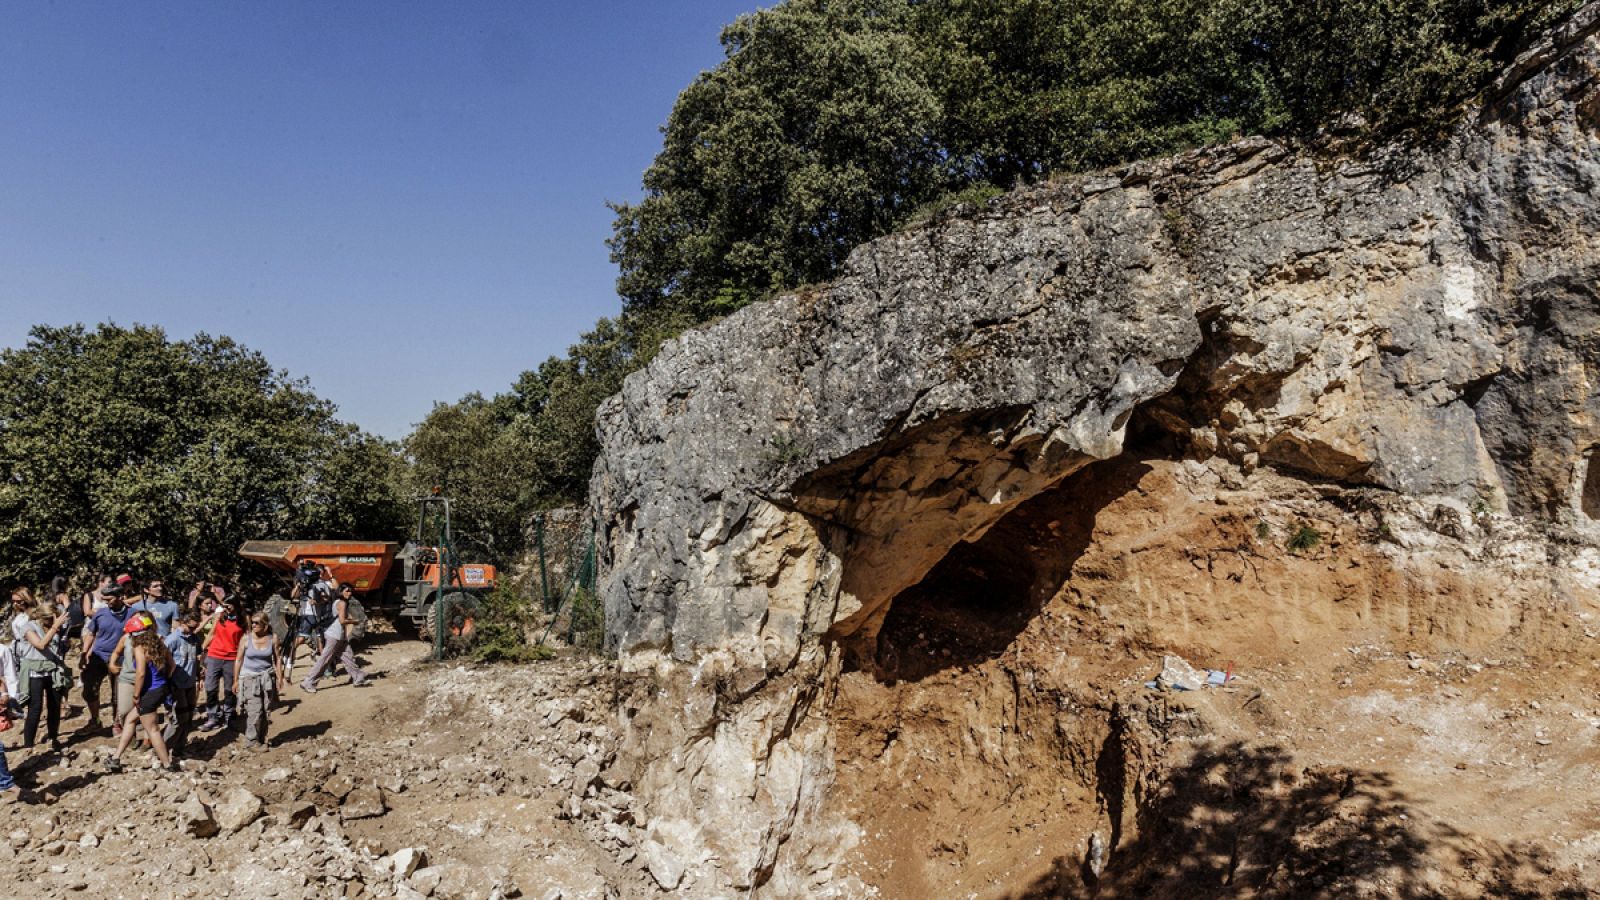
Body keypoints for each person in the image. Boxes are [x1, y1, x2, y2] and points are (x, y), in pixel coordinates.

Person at [104, 629, 178, 773]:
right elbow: (172, 665)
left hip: (149, 693)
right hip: (160, 689)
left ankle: (167, 765)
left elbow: (141, 673)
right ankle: (116, 757)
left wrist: (136, 695)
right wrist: (163, 679)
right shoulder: (159, 645)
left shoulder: (139, 648)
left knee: (152, 729)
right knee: (130, 720)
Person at [11, 589, 69, 753]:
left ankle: (53, 737)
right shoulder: (29, 627)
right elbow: (41, 644)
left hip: (52, 669)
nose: (53, 623)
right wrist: (55, 628)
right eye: (51, 620)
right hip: (34, 671)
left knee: (54, 705)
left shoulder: (53, 627)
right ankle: (28, 744)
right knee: (35, 707)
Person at [79, 584, 131, 733]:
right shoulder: (100, 614)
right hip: (98, 656)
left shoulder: (133, 614)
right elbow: (91, 634)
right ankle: (95, 719)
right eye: (104, 599)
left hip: (121, 658)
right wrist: (84, 653)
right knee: (89, 689)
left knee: (118, 694)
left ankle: (117, 722)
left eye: (109, 599)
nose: (106, 602)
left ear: (120, 597)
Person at [300, 583, 368, 693]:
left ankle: (358, 676)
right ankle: (309, 681)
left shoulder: (336, 601)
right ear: (341, 592)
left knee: (348, 656)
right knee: (325, 659)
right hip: (335, 635)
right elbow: (342, 621)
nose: (349, 593)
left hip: (338, 635)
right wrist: (354, 621)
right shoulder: (342, 603)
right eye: (347, 591)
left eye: (350, 591)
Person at [234, 612, 285, 749]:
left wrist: (280, 677)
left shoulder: (273, 638)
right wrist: (236, 680)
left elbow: (277, 659)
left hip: (267, 677)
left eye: (257, 623)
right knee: (254, 710)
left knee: (265, 709)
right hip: (250, 678)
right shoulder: (246, 639)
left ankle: (261, 739)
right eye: (253, 622)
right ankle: (251, 742)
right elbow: (238, 660)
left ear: (265, 625)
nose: (254, 625)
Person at [108, 612, 156, 739]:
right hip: (127, 678)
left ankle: (148, 739)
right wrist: (112, 663)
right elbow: (116, 652)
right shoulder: (126, 638)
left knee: (147, 712)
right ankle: (130, 736)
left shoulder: (154, 639)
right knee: (123, 711)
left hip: (147, 679)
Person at [201, 595, 246, 730]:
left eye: (228, 605)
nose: (225, 608)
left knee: (229, 689)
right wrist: (202, 649)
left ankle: (229, 713)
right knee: (210, 687)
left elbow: (246, 638)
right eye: (224, 605)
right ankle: (213, 716)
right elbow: (212, 633)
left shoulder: (243, 619)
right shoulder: (219, 616)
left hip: (232, 658)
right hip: (214, 655)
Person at [163, 611, 202, 758]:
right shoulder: (172, 640)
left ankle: (179, 749)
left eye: (195, 628)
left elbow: (196, 657)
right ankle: (164, 749)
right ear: (183, 623)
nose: (193, 631)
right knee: (177, 719)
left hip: (190, 683)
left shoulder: (194, 638)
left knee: (188, 718)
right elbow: (164, 662)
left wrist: (199, 674)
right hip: (176, 684)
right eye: (190, 627)